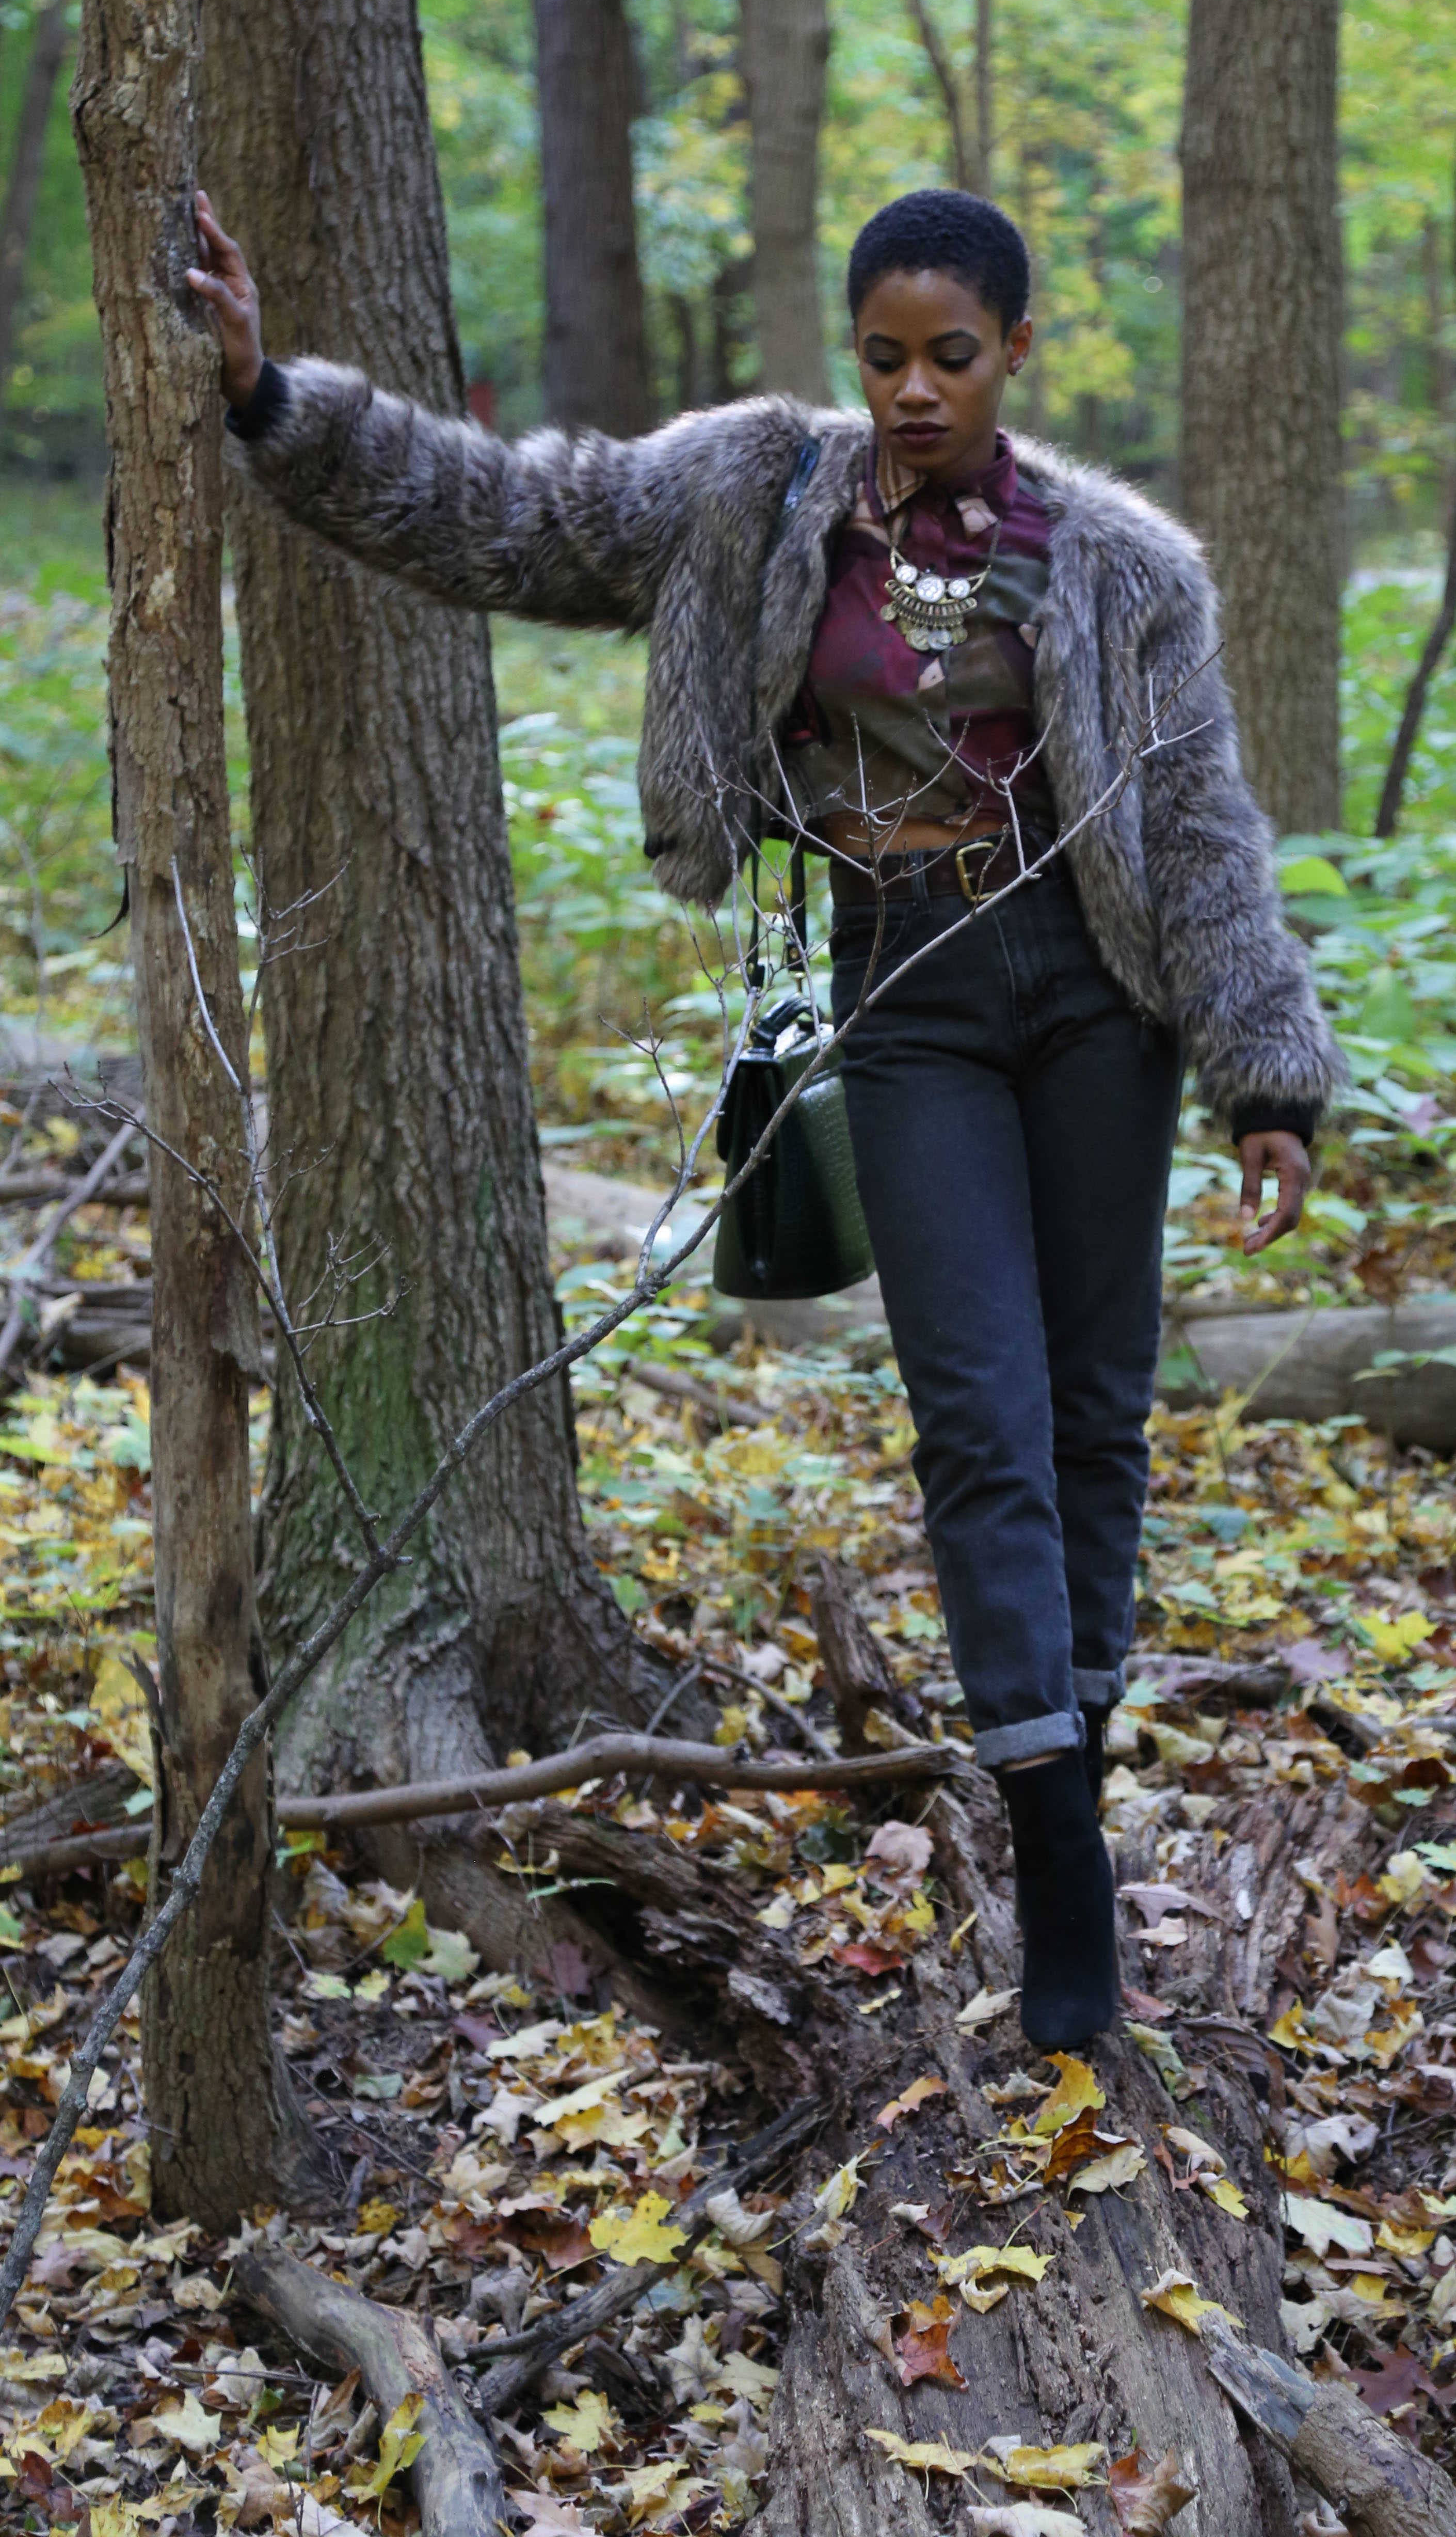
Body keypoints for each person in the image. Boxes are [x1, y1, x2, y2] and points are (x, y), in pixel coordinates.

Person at [187, 184, 1344, 2049]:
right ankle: (1059, 1859)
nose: (909, 391)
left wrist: (1267, 1072)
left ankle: (1074, 1751)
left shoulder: (1131, 569)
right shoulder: (752, 489)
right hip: (904, 996)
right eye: (882, 355)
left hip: (1101, 1003)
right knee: (977, 1415)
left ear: (1016, 354)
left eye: (949, 358)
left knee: (1094, 1409)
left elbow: (1203, 829)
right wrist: (275, 402)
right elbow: (513, 512)